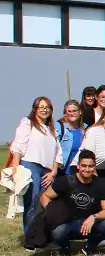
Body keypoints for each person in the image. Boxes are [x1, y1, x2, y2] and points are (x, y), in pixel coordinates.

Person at [39, 149, 105, 255]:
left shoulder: (102, 183)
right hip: (69, 222)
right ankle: (64, 246)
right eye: (84, 166)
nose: (87, 169)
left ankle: (91, 245)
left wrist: (93, 217)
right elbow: (45, 196)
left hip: (91, 223)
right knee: (58, 232)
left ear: (94, 167)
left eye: (91, 166)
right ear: (78, 166)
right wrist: (53, 214)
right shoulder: (65, 181)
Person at [7, 97, 61, 232]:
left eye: (47, 107)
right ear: (35, 109)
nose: (44, 110)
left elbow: (58, 153)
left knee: (44, 203)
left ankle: (41, 235)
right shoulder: (28, 123)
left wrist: (53, 172)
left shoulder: (52, 130)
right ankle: (30, 236)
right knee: (32, 202)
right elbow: (18, 146)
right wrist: (15, 168)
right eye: (41, 107)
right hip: (31, 166)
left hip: (47, 171)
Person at [54, 100, 84, 176]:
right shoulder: (59, 127)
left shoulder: (85, 129)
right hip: (61, 172)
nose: (72, 113)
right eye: (69, 111)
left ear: (80, 112)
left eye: (74, 111)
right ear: (65, 113)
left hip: (79, 173)